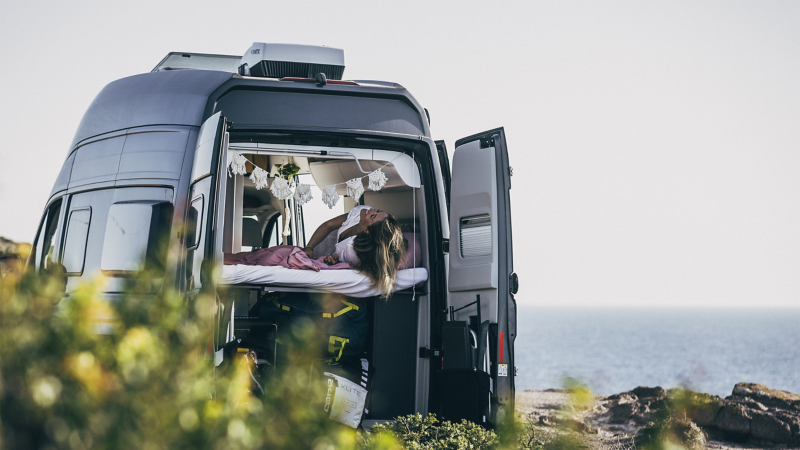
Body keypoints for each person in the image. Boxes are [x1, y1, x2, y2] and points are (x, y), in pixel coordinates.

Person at [303, 205, 406, 298]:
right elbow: (328, 225)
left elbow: (343, 262)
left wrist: (334, 262)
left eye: (373, 216)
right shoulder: (359, 212)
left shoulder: (353, 250)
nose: (372, 210)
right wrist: (309, 247)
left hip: (322, 255)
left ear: (367, 230)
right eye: (378, 210)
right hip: (316, 246)